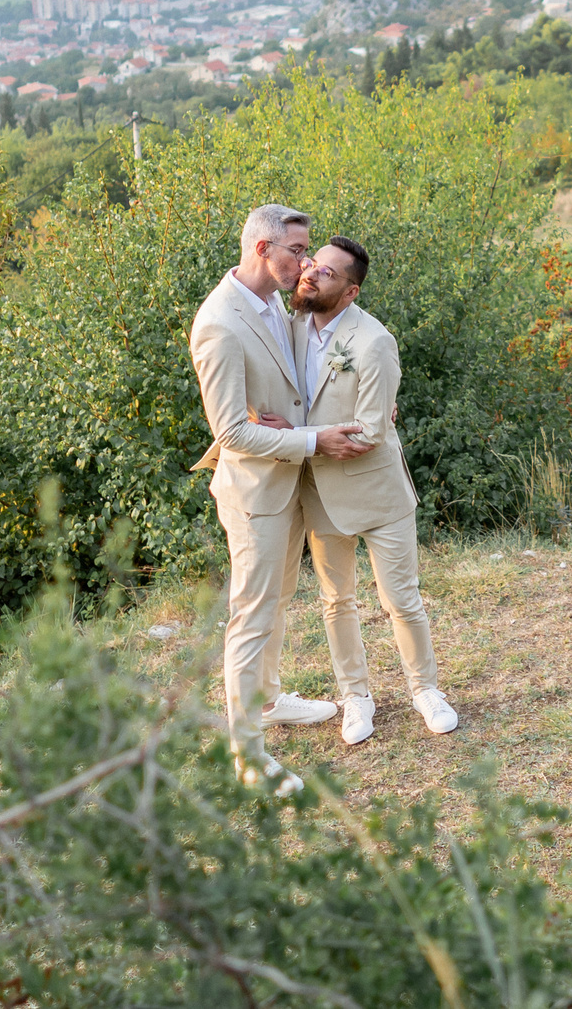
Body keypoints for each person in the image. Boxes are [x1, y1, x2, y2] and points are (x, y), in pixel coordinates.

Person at [186, 202, 373, 792]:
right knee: (251, 614)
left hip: (289, 477)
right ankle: (247, 756)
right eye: (298, 251)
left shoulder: (275, 302)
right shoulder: (218, 321)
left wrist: (370, 400)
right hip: (254, 492)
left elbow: (313, 368)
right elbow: (232, 432)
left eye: (309, 252)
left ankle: (267, 700)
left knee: (279, 599)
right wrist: (307, 438)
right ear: (263, 249)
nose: (308, 263)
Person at [291, 236, 459, 744]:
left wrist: (299, 439)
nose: (312, 273)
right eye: (313, 264)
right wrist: (298, 435)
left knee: (401, 599)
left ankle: (424, 689)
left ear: (351, 291)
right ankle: (355, 697)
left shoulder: (373, 341)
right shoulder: (292, 328)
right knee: (335, 600)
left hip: (378, 490)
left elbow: (370, 432)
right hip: (319, 489)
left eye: (327, 272)